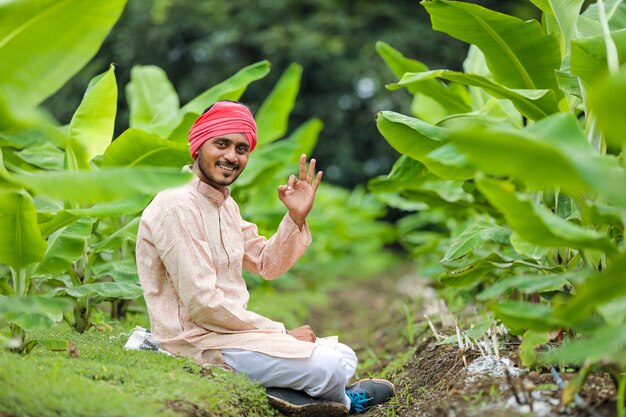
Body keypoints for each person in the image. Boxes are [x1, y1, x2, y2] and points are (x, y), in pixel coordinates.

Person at [136, 100, 394, 416]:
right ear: (198, 145)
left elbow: (266, 263)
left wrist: (296, 217)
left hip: (230, 335)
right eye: (222, 144)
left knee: (344, 355)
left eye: (241, 149)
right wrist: (280, 333)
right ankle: (344, 402)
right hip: (197, 343)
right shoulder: (177, 206)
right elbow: (203, 304)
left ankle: (296, 393)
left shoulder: (223, 205)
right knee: (330, 367)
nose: (232, 156)